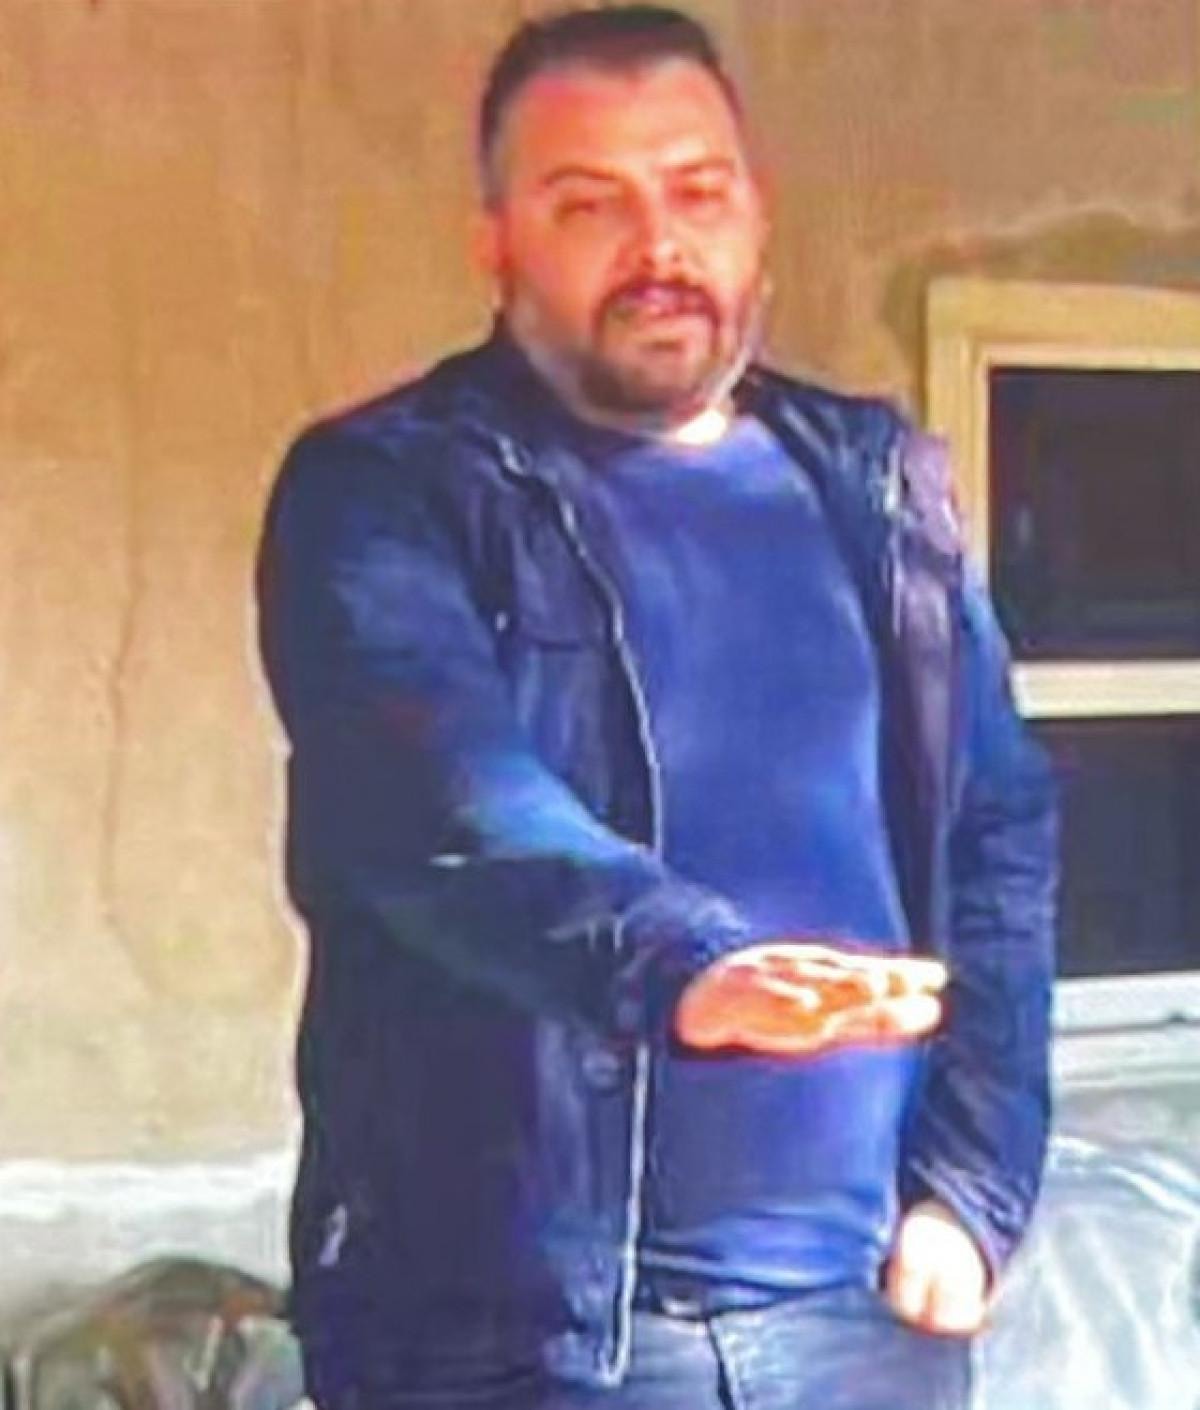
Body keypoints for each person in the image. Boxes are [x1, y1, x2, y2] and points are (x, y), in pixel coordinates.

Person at [255, 7, 1058, 1408]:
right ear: (497, 244)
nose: (659, 247)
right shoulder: (385, 492)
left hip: (865, 1317)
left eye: (698, 191)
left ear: (758, 214)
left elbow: (998, 837)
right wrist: (687, 964)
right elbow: (442, 806)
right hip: (518, 1337)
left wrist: (973, 1188)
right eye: (591, 204)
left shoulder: (876, 484)